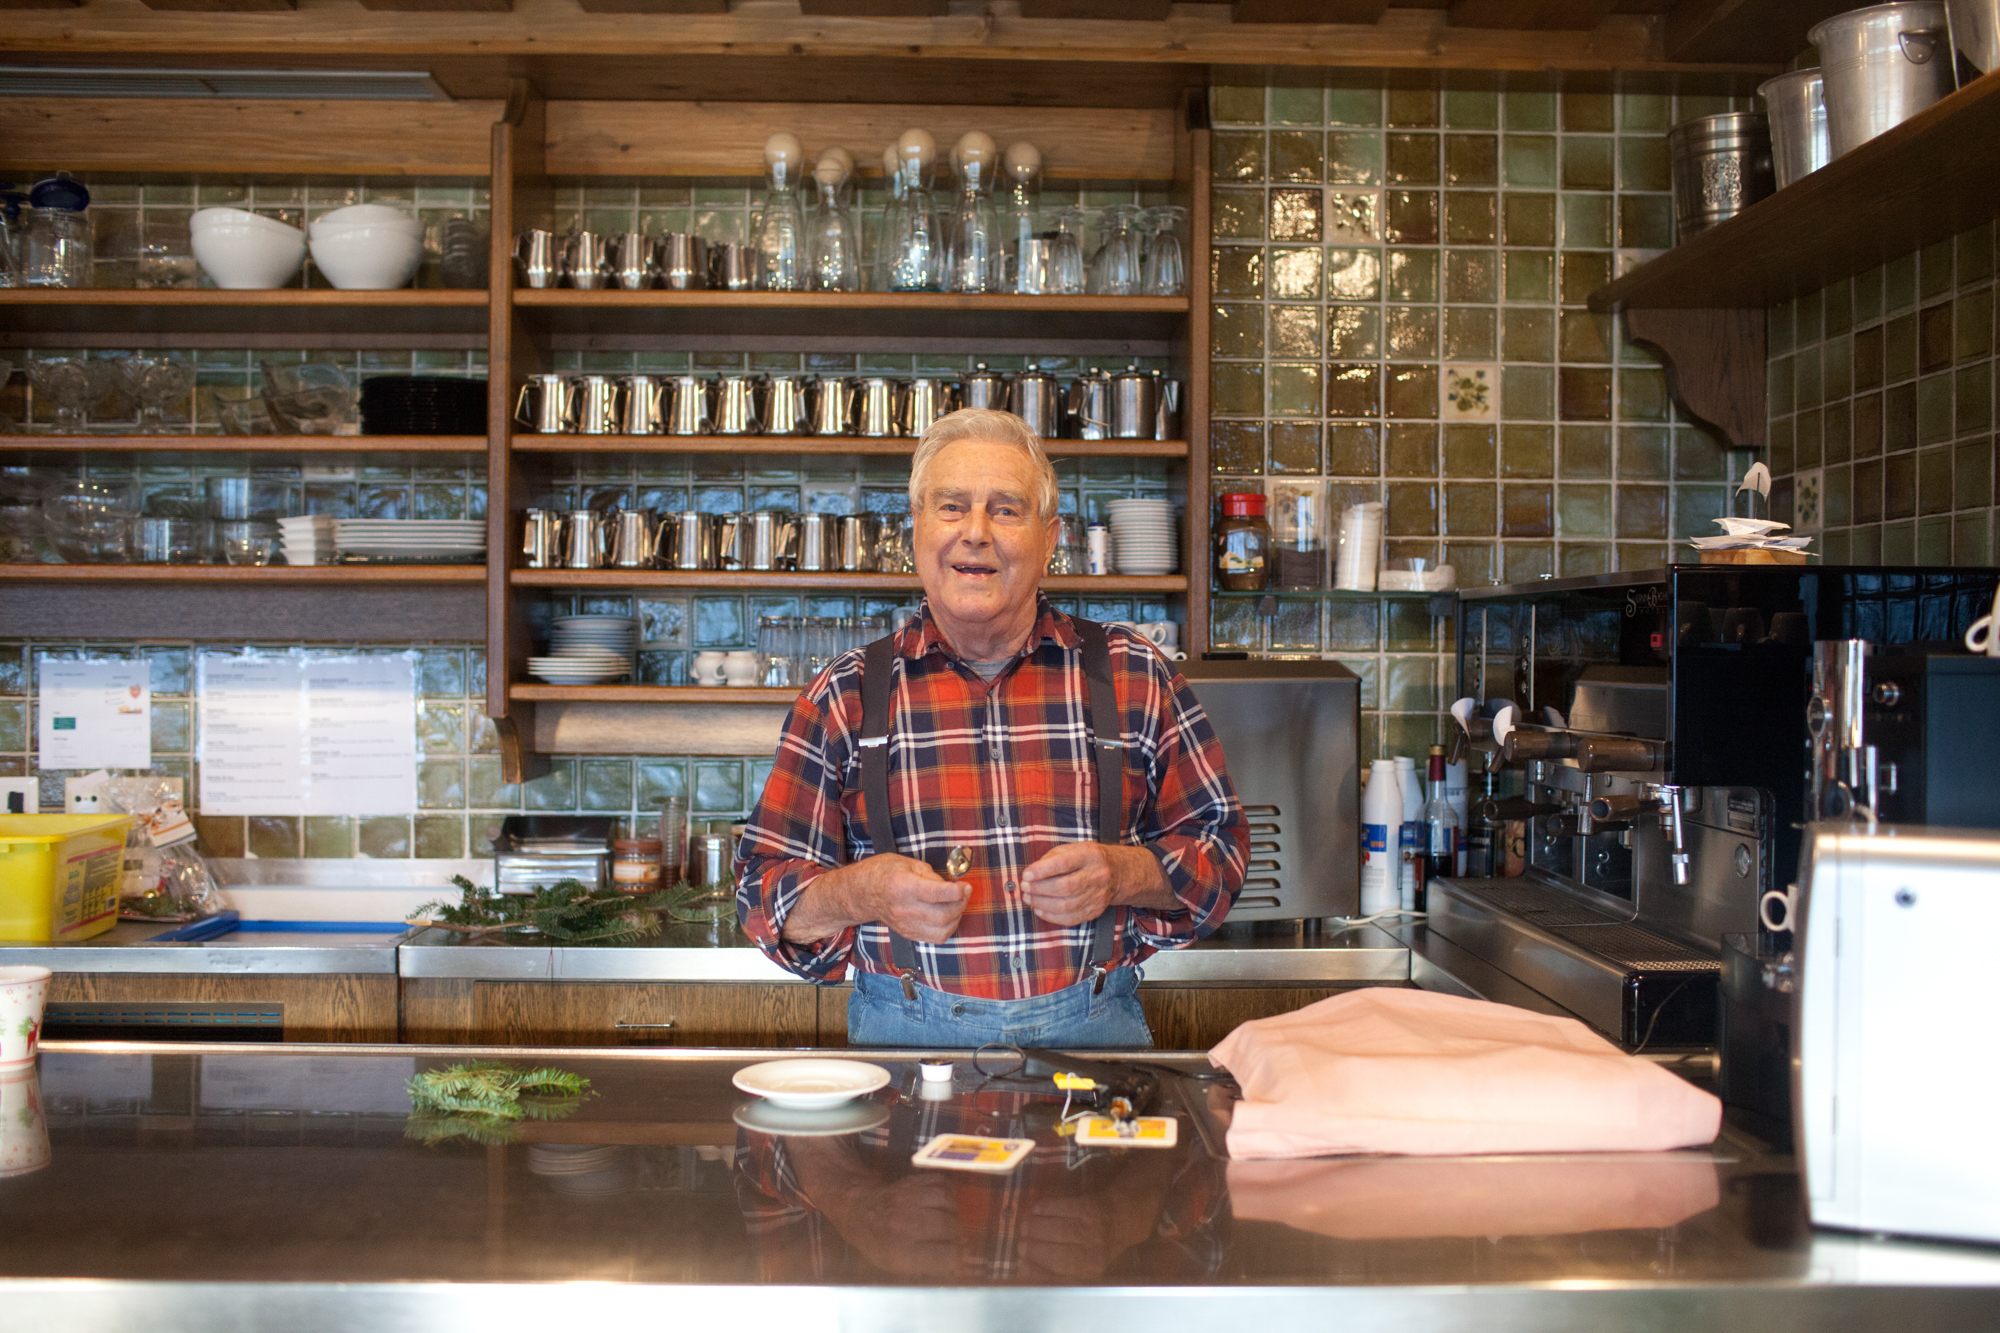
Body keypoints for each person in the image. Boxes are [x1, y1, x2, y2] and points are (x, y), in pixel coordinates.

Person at [734, 407, 1248, 1048]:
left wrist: (1126, 874)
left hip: (1095, 1050)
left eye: (1006, 510)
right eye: (952, 507)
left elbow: (1222, 856)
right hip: (908, 1055)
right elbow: (762, 897)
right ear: (917, 529)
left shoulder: (1135, 674)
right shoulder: (845, 695)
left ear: (1050, 539)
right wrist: (861, 892)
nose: (975, 533)